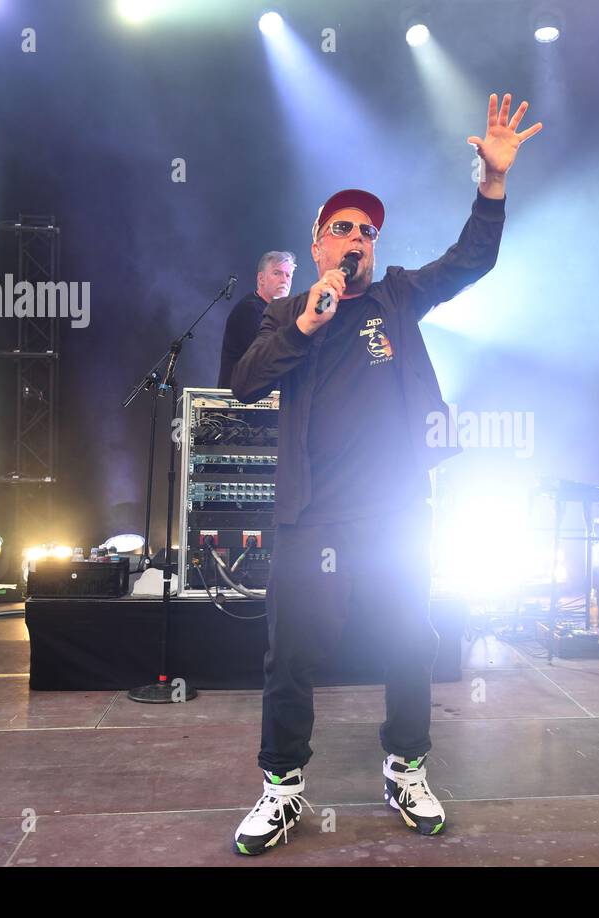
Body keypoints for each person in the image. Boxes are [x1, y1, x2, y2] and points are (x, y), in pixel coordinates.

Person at [229, 93, 542, 854]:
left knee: (411, 641)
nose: (357, 238)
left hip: (399, 509)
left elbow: (473, 259)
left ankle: (405, 768)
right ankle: (281, 787)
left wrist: (492, 184)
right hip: (314, 517)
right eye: (343, 227)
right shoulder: (286, 314)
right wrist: (308, 321)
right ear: (316, 241)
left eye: (367, 230)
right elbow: (244, 384)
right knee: (290, 653)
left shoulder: (399, 296)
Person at [217, 251, 295, 389]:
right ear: (261, 279)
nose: (284, 280)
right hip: (238, 402)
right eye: (277, 273)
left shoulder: (278, 311)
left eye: (288, 275)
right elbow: (266, 358)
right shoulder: (250, 310)